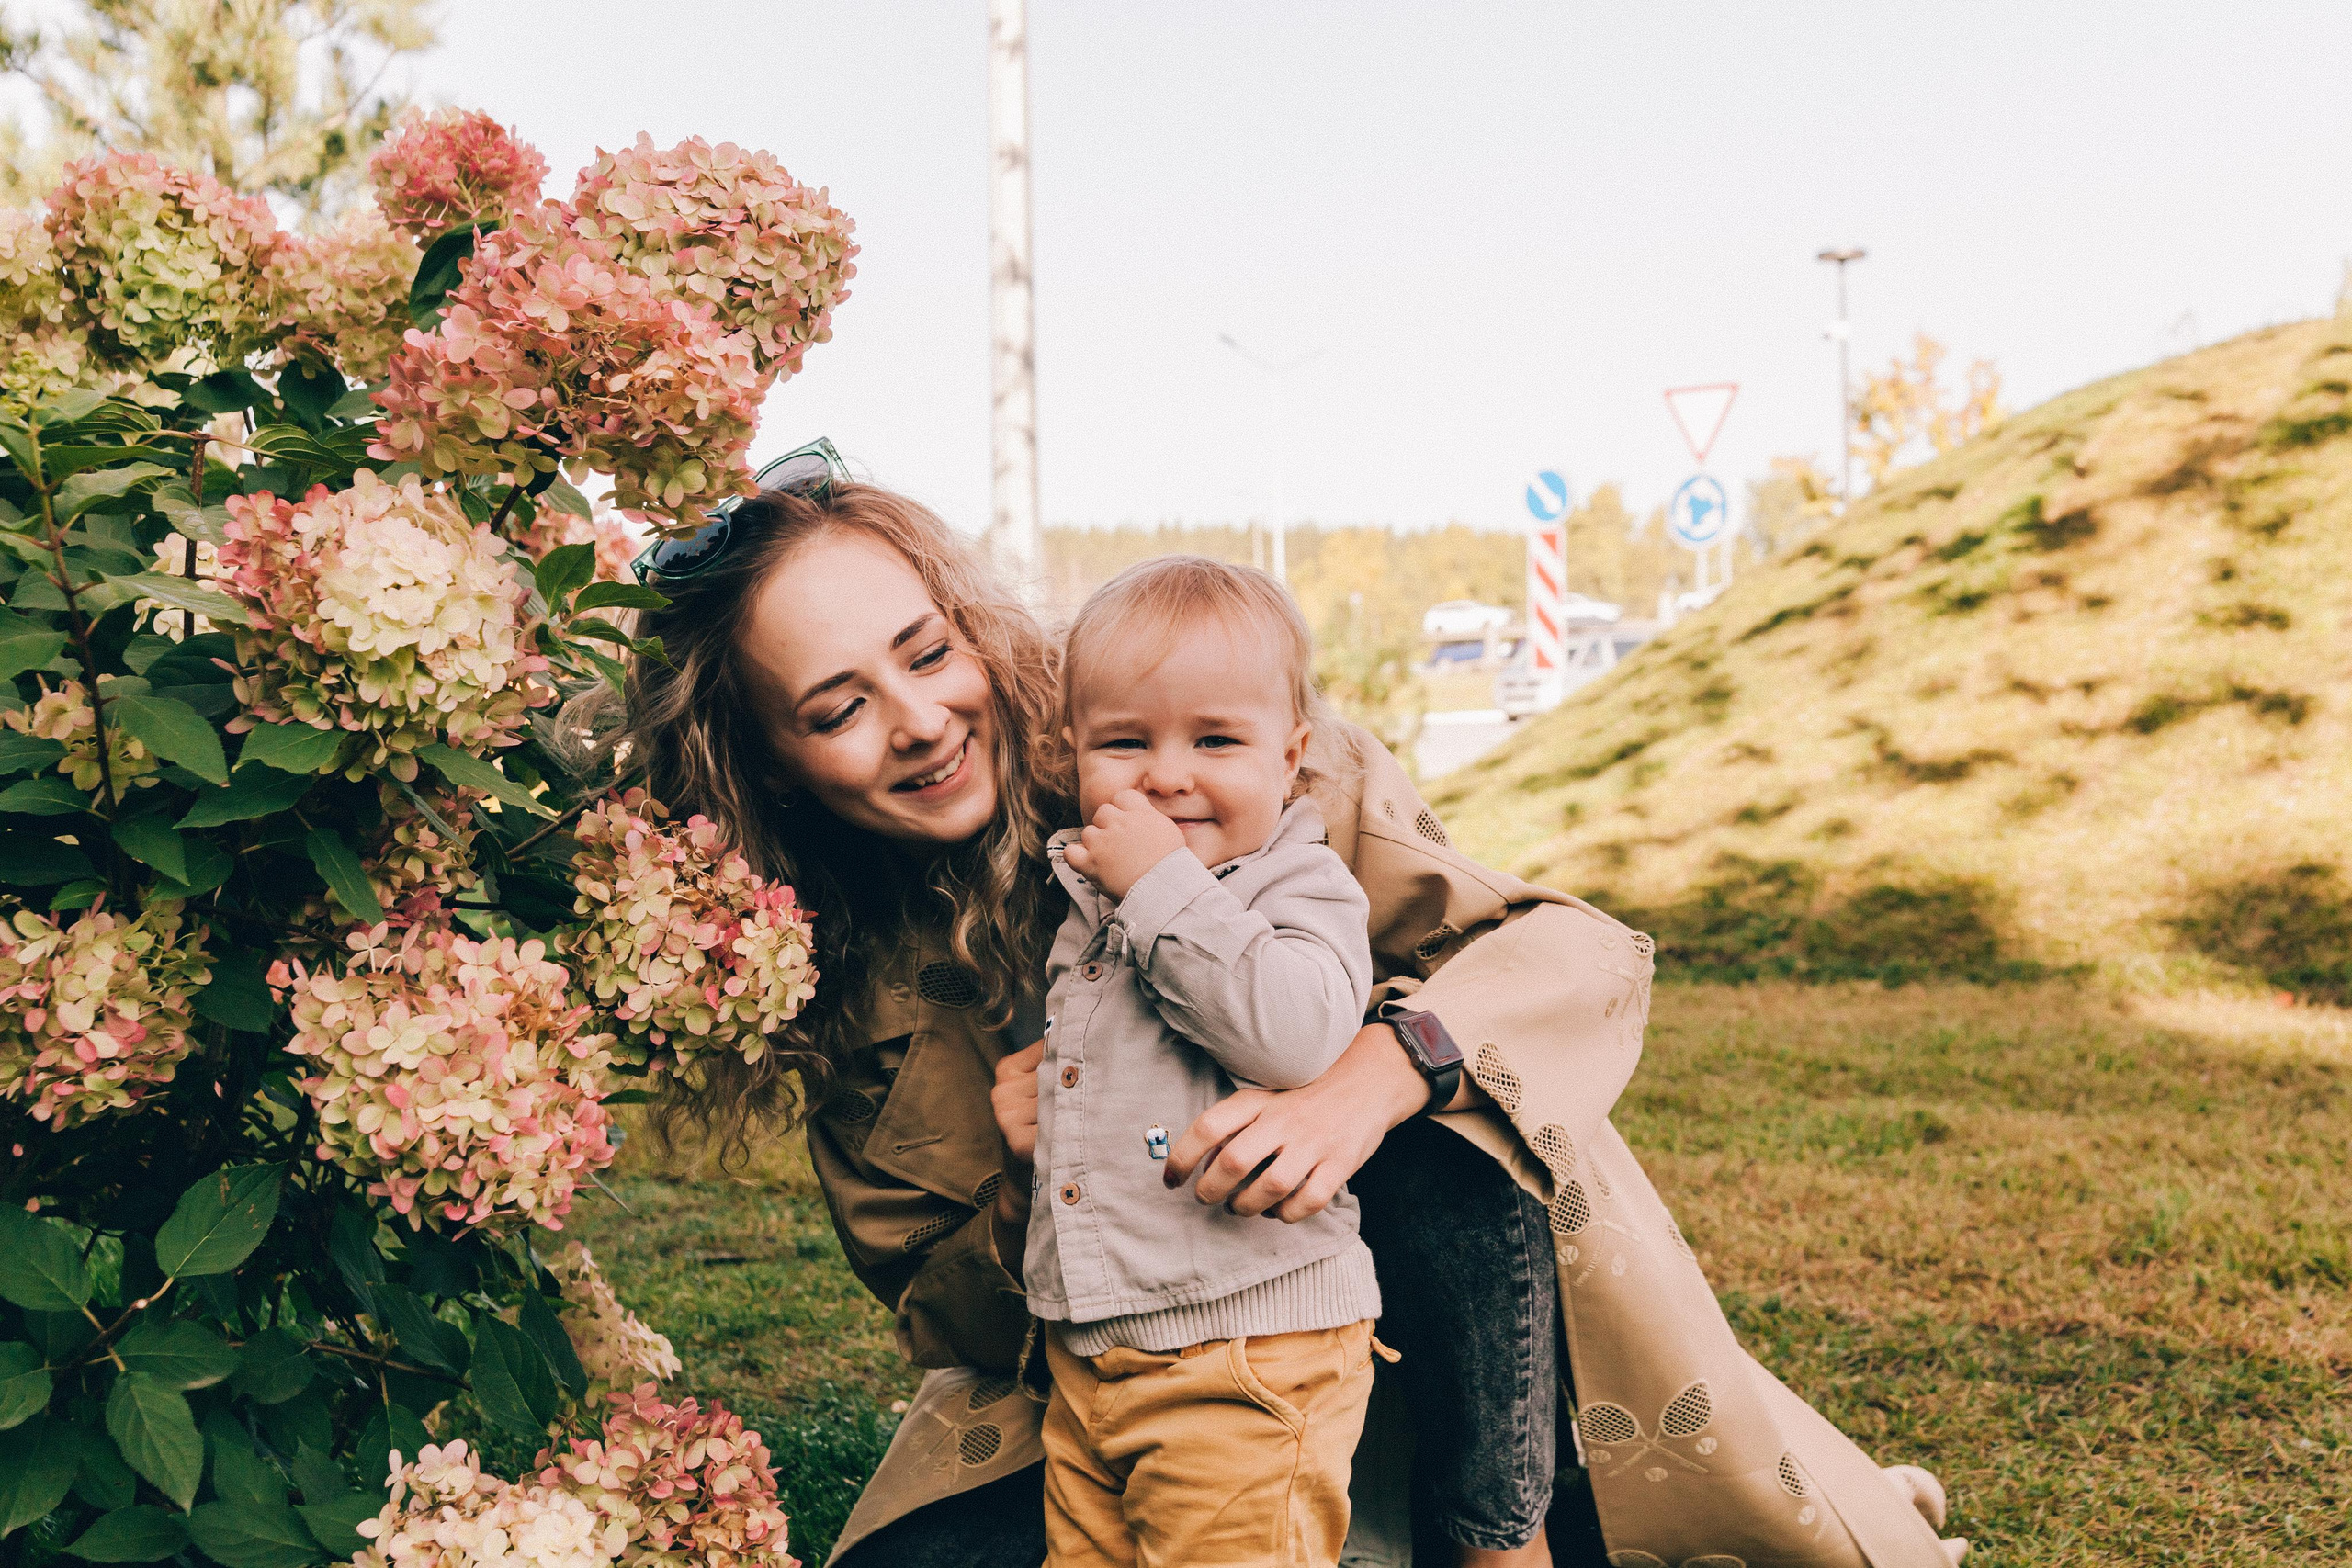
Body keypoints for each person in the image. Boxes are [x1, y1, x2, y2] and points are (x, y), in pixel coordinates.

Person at [585, 450, 1967, 1568]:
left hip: (1421, 1350)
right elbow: (945, 1314)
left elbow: (1572, 954)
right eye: (837, 706)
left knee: (1430, 1118)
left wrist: (1365, 1078)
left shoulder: (1194, 741)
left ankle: (1503, 1531)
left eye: (927, 649)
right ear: (764, 760)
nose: (921, 719)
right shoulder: (813, 969)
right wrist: (1035, 1163)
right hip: (1130, 1395)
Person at [1028, 558, 1385, 1566]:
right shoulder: (1093, 892)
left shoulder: (1296, 881)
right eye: (1125, 742)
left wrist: (1163, 886)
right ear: (1073, 756)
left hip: (1246, 1350)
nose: (1168, 774)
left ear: (1291, 756)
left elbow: (1294, 1035)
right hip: (1097, 1350)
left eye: (1216, 739)